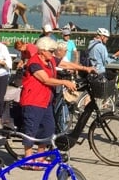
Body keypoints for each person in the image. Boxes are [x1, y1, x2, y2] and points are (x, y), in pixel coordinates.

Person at [20, 36, 77, 164]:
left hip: (46, 101)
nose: (53, 54)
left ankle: (40, 156)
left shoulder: (50, 60)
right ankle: (28, 158)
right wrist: (64, 82)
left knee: (48, 128)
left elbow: (65, 64)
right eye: (51, 51)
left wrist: (85, 68)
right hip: (33, 100)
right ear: (42, 50)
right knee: (31, 129)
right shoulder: (34, 63)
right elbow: (45, 79)